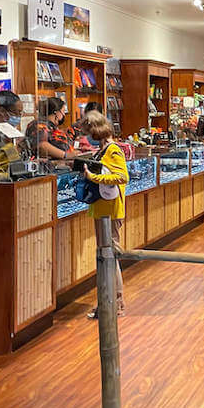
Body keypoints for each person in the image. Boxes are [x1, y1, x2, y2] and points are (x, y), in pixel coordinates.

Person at [82, 111, 129, 319]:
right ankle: (107, 302)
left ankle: (116, 303)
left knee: (110, 258)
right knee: (105, 257)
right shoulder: (102, 150)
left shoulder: (113, 150)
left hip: (110, 211)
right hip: (102, 210)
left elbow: (122, 177)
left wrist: (93, 176)